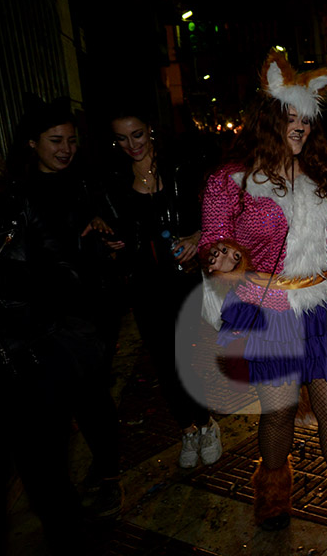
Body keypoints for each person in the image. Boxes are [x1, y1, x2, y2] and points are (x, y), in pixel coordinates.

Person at [200, 50, 327, 533]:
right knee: (280, 412)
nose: (301, 127)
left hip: (321, 307)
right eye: (290, 118)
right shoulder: (230, 183)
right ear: (270, 121)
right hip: (270, 310)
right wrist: (222, 256)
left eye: (306, 119)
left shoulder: (320, 179)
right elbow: (215, 243)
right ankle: (272, 495)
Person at [0, 100, 123, 547]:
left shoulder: (87, 181)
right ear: (31, 143)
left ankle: (108, 475)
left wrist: (106, 232)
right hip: (49, 330)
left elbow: (113, 228)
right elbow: (21, 271)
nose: (66, 149)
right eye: (56, 141)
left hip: (91, 318)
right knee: (45, 435)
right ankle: (65, 520)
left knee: (94, 403)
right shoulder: (16, 196)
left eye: (72, 140)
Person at [106, 107, 222, 470]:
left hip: (185, 280)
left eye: (137, 135)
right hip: (145, 286)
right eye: (122, 138)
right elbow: (112, 226)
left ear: (150, 131)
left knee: (192, 358)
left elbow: (214, 214)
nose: (131, 145)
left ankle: (206, 423)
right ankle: (187, 428)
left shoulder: (180, 169)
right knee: (165, 362)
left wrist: (200, 236)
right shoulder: (113, 180)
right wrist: (108, 238)